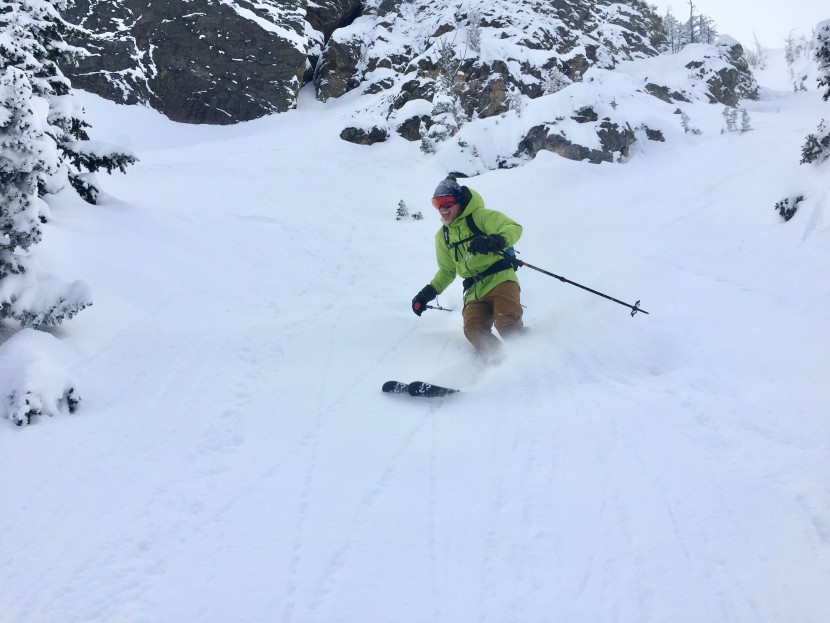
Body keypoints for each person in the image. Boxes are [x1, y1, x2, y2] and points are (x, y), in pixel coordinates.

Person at [411, 177, 527, 360]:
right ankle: (502, 363)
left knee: (506, 323)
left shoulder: (480, 217)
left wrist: (495, 240)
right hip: (474, 292)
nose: (443, 209)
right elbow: (447, 271)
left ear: (459, 201)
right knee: (473, 329)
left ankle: (531, 356)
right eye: (437, 203)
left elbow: (513, 227)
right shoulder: (443, 237)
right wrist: (427, 293)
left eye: (447, 202)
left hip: (500, 279)